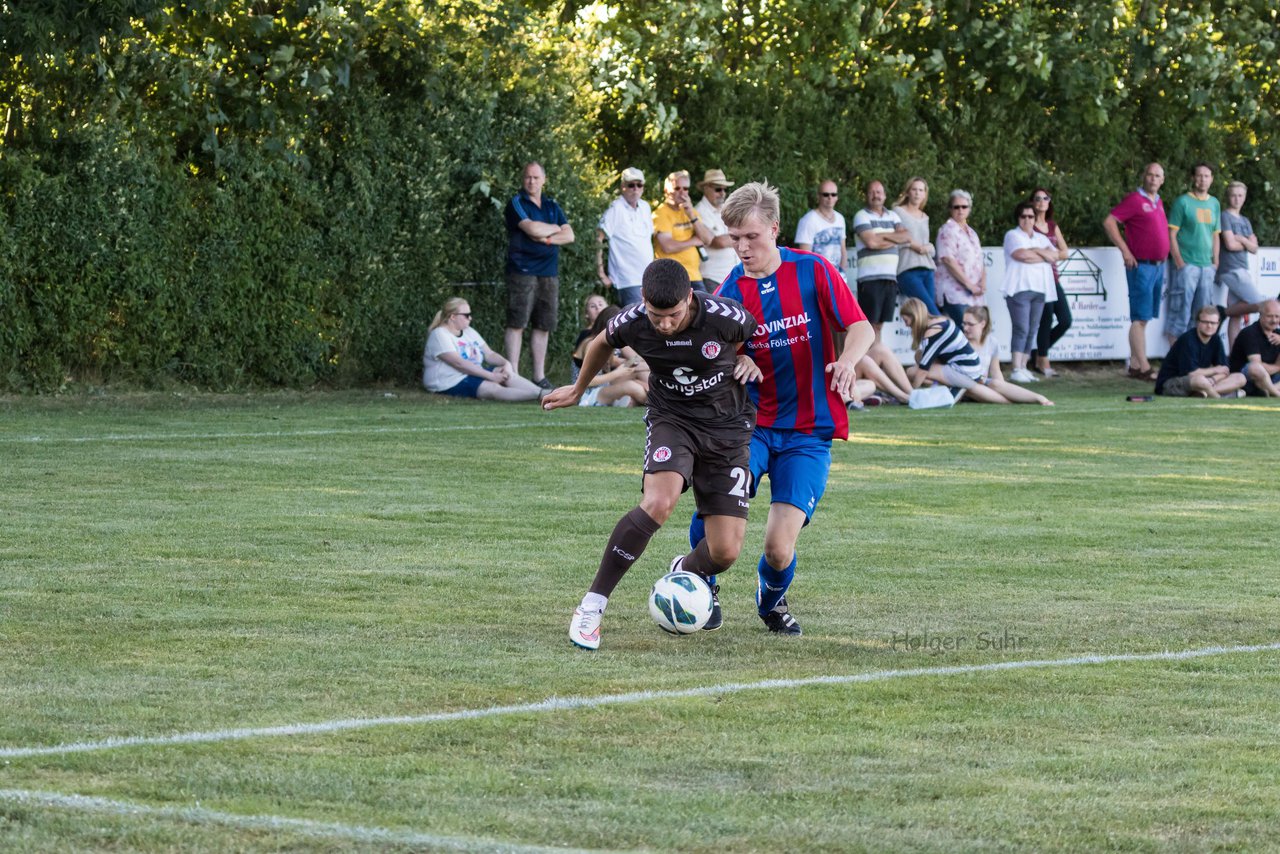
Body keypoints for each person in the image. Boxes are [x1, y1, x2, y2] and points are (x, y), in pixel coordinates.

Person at [544, 259, 758, 650]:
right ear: (644, 301)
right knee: (659, 502)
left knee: (725, 551)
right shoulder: (633, 320)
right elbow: (601, 343)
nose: (663, 324)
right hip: (672, 419)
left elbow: (753, 338)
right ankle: (592, 605)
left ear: (690, 298)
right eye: (656, 315)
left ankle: (684, 569)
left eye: (673, 315)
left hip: (727, 428)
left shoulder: (725, 316)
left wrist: (746, 357)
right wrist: (577, 390)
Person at [701, 180, 874, 635]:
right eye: (735, 238)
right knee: (716, 509)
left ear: (774, 229)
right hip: (749, 428)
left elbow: (860, 327)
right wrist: (737, 358)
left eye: (751, 237)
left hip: (807, 432)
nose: (742, 247)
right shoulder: (730, 291)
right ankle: (703, 584)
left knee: (779, 549)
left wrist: (847, 361)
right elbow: (709, 352)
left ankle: (771, 601)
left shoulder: (814, 271)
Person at [503, 162, 574, 389]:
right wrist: (554, 228)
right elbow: (531, 229)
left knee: (543, 325)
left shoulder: (553, 206)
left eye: (535, 177)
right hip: (522, 270)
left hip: (549, 272)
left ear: (544, 179)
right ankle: (513, 375)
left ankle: (538, 376)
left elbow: (570, 234)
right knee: (517, 322)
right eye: (527, 177)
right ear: (523, 180)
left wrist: (548, 237)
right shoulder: (516, 203)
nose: (531, 181)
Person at [1102, 162, 1169, 381]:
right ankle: (1145, 367)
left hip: (1158, 266)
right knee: (1139, 318)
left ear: (1162, 180)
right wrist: (1125, 250)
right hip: (1141, 265)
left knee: (1144, 318)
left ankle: (1134, 364)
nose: (1153, 179)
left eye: (1157, 175)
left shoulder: (1158, 201)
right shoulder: (1135, 200)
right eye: (1149, 174)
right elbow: (1110, 221)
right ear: (1144, 176)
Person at [423, 297, 543, 401]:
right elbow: (459, 364)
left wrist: (506, 363)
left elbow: (489, 354)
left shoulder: (468, 331)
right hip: (449, 381)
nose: (470, 318)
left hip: (470, 374)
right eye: (466, 315)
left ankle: (547, 393)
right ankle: (538, 395)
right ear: (453, 316)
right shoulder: (439, 334)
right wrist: (490, 376)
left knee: (504, 372)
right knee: (492, 388)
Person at [899, 297, 1005, 403]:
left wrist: (910, 394)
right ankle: (954, 387)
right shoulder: (941, 321)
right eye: (965, 324)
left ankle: (956, 388)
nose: (906, 325)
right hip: (970, 370)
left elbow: (923, 370)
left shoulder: (933, 331)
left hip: (965, 372)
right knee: (918, 357)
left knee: (912, 371)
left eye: (906, 320)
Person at [1002, 202, 1059, 383]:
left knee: (1032, 329)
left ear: (1035, 218)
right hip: (1019, 287)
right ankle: (1016, 368)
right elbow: (1021, 255)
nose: (1027, 220)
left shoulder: (1041, 238)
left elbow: (1054, 256)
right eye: (1023, 216)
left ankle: (1024, 366)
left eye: (1030, 216)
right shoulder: (1012, 235)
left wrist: (1035, 250)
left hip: (1040, 288)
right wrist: (1041, 254)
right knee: (1021, 328)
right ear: (1018, 218)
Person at [1166, 162, 1221, 344]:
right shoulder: (1182, 202)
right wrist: (1180, 263)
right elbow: (1171, 234)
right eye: (1199, 175)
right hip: (1187, 265)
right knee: (1180, 311)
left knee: (1202, 314)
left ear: (1211, 179)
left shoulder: (1214, 203)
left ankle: (1195, 357)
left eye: (1206, 176)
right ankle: (1175, 359)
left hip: (1207, 266)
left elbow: (1215, 235)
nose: (1203, 179)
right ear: (1193, 178)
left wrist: (1216, 262)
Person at [852, 180, 911, 341]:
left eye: (879, 192)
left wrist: (881, 235)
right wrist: (894, 238)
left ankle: (875, 361)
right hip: (870, 279)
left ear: (884, 195)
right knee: (869, 325)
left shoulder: (893, 215)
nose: (876, 195)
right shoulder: (861, 216)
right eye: (872, 192)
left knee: (879, 325)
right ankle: (867, 362)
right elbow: (871, 242)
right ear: (866, 195)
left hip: (890, 278)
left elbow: (906, 236)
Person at [961, 307, 1054, 405]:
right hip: (965, 385)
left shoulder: (992, 342)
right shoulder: (959, 342)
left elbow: (995, 370)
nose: (965, 328)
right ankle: (1013, 402)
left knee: (995, 383)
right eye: (964, 323)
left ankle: (1039, 398)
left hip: (983, 383)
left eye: (970, 324)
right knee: (973, 387)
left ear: (983, 324)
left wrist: (1002, 387)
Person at [1155, 305, 1246, 398]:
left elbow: (1225, 370)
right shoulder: (1188, 340)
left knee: (1240, 378)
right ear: (1197, 322)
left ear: (1218, 324)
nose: (1209, 326)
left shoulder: (1216, 339)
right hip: (1171, 383)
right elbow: (1191, 373)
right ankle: (1219, 397)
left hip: (1204, 381)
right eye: (1205, 322)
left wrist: (1213, 379)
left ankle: (1203, 393)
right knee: (1200, 380)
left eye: (1213, 323)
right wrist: (1215, 370)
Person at [1028, 188, 1072, 377]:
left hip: (1053, 279)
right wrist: (1046, 254)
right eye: (1037, 198)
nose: (1041, 201)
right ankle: (1043, 361)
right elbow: (1029, 250)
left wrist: (1049, 254)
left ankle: (1038, 353)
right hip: (1038, 279)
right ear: (1032, 202)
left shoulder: (1052, 226)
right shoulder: (1029, 226)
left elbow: (1064, 252)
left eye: (1045, 198)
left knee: (1065, 320)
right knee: (1045, 320)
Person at [1217, 181, 1267, 349]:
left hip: (1242, 268)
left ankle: (1234, 357)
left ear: (1244, 197)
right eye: (1233, 195)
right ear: (1228, 196)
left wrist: (1242, 239)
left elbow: (1254, 248)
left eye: (1240, 195)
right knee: (1263, 305)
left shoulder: (1245, 221)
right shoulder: (1225, 216)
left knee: (1237, 316)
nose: (1237, 199)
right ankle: (1221, 312)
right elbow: (1230, 245)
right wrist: (1245, 242)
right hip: (1232, 269)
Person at [596, 167, 654, 307]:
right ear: (623, 187)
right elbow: (598, 238)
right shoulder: (615, 208)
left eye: (639, 185)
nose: (635, 188)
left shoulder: (645, 207)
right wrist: (601, 273)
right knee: (636, 323)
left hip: (648, 279)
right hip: (626, 280)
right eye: (631, 185)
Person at [573, 306, 649, 407]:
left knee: (641, 371)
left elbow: (634, 360)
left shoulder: (611, 342)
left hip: (604, 385)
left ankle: (659, 394)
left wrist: (640, 364)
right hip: (587, 392)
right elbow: (586, 381)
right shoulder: (592, 344)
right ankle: (660, 400)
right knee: (633, 387)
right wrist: (617, 373)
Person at [653, 170, 715, 292]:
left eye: (685, 189)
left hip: (694, 275)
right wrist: (694, 241)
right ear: (666, 191)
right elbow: (668, 246)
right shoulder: (660, 213)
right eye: (677, 188)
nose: (682, 192)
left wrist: (691, 214)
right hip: (671, 276)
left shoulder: (689, 210)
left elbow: (707, 239)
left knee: (703, 309)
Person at [935, 189, 986, 326]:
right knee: (964, 334)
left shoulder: (972, 233)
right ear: (950, 209)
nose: (960, 210)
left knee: (975, 335)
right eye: (956, 207)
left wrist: (982, 284)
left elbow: (979, 261)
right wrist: (969, 285)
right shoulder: (947, 230)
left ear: (969, 208)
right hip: (955, 294)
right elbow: (947, 260)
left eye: (964, 206)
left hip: (975, 296)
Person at [892, 177, 940, 314]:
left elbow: (927, 244)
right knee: (933, 313)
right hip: (907, 268)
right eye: (914, 189)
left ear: (925, 194)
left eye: (921, 190)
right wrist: (916, 246)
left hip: (927, 268)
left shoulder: (925, 216)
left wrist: (928, 247)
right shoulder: (898, 212)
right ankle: (945, 331)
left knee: (924, 316)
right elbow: (897, 237)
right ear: (908, 192)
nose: (917, 193)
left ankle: (925, 336)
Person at [695, 168, 738, 288]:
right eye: (718, 189)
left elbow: (727, 239)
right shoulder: (699, 212)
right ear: (706, 188)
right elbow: (718, 242)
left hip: (733, 276)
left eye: (724, 189)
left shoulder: (728, 209)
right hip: (713, 277)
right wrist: (741, 235)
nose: (722, 193)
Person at [1227, 299, 1280, 397]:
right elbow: (1257, 366)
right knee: (1255, 368)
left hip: (1270, 378)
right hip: (1246, 378)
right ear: (1260, 315)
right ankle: (1275, 392)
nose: (1274, 320)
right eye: (1270, 316)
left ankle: (1269, 389)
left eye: (1277, 316)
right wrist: (1277, 367)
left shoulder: (1278, 334)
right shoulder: (1250, 333)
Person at [794, 180, 849, 274]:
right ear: (818, 197)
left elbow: (842, 248)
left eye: (833, 194)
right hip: (817, 278)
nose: (830, 197)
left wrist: (842, 272)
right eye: (825, 194)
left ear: (837, 197)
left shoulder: (840, 219)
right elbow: (805, 256)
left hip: (838, 277)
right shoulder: (808, 220)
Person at [571, 294, 610, 380]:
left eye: (600, 304)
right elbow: (587, 378)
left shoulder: (611, 331)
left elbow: (618, 361)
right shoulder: (587, 336)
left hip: (606, 380)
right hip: (589, 387)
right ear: (586, 314)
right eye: (593, 306)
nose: (598, 308)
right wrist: (619, 373)